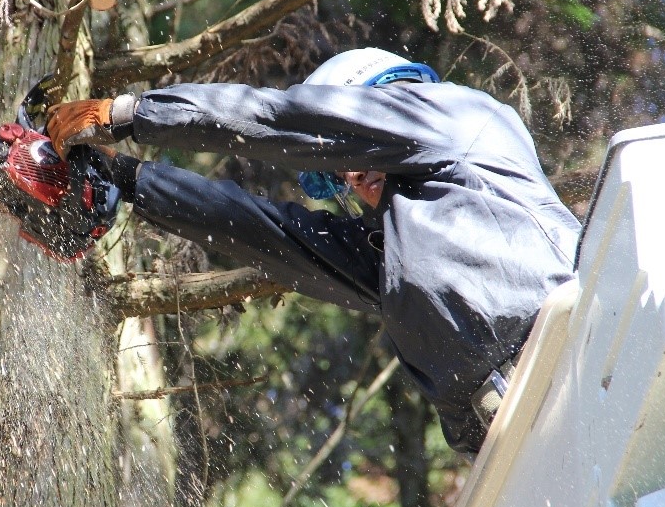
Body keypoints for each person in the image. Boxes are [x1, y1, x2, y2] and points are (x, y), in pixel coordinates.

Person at [45, 47, 581, 454]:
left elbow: (284, 120)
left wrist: (131, 114)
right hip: (512, 436)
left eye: (350, 150)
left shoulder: (456, 115)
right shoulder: (401, 254)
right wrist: (129, 181)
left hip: (575, 349)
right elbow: (268, 233)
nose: (351, 177)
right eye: (340, 176)